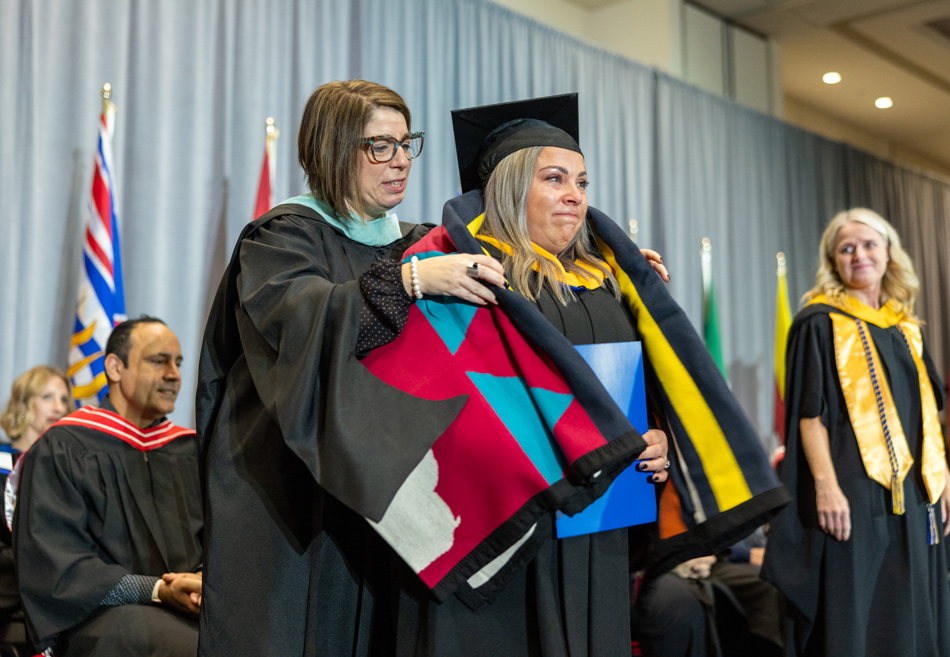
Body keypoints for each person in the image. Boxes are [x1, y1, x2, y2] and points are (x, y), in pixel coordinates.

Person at [197, 85, 784, 655]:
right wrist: (408, 281)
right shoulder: (283, 237)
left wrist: (594, 261)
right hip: (301, 495)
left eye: (407, 144)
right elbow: (299, 324)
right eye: (380, 146)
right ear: (331, 150)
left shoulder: (420, 242)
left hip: (389, 491)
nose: (400, 160)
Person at [762, 208, 950, 656]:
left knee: (914, 607)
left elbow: (927, 413)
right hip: (852, 494)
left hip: (915, 493)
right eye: (846, 248)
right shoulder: (818, 322)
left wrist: (942, 478)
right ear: (833, 261)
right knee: (859, 610)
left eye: (869, 245)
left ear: (889, 254)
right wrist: (826, 487)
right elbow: (809, 415)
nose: (859, 255)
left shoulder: (906, 327)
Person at [14, 317, 203, 657]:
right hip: (100, 618)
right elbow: (59, 569)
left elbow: (220, 543)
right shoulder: (65, 447)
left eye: (178, 363)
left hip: (191, 610)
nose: (174, 374)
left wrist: (200, 583)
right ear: (115, 368)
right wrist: (157, 590)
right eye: (158, 361)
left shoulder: (190, 451)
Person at [0, 366, 74, 643]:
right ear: (23, 403)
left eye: (64, 399)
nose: (59, 407)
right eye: (47, 397)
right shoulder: (2, 460)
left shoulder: (70, 467)